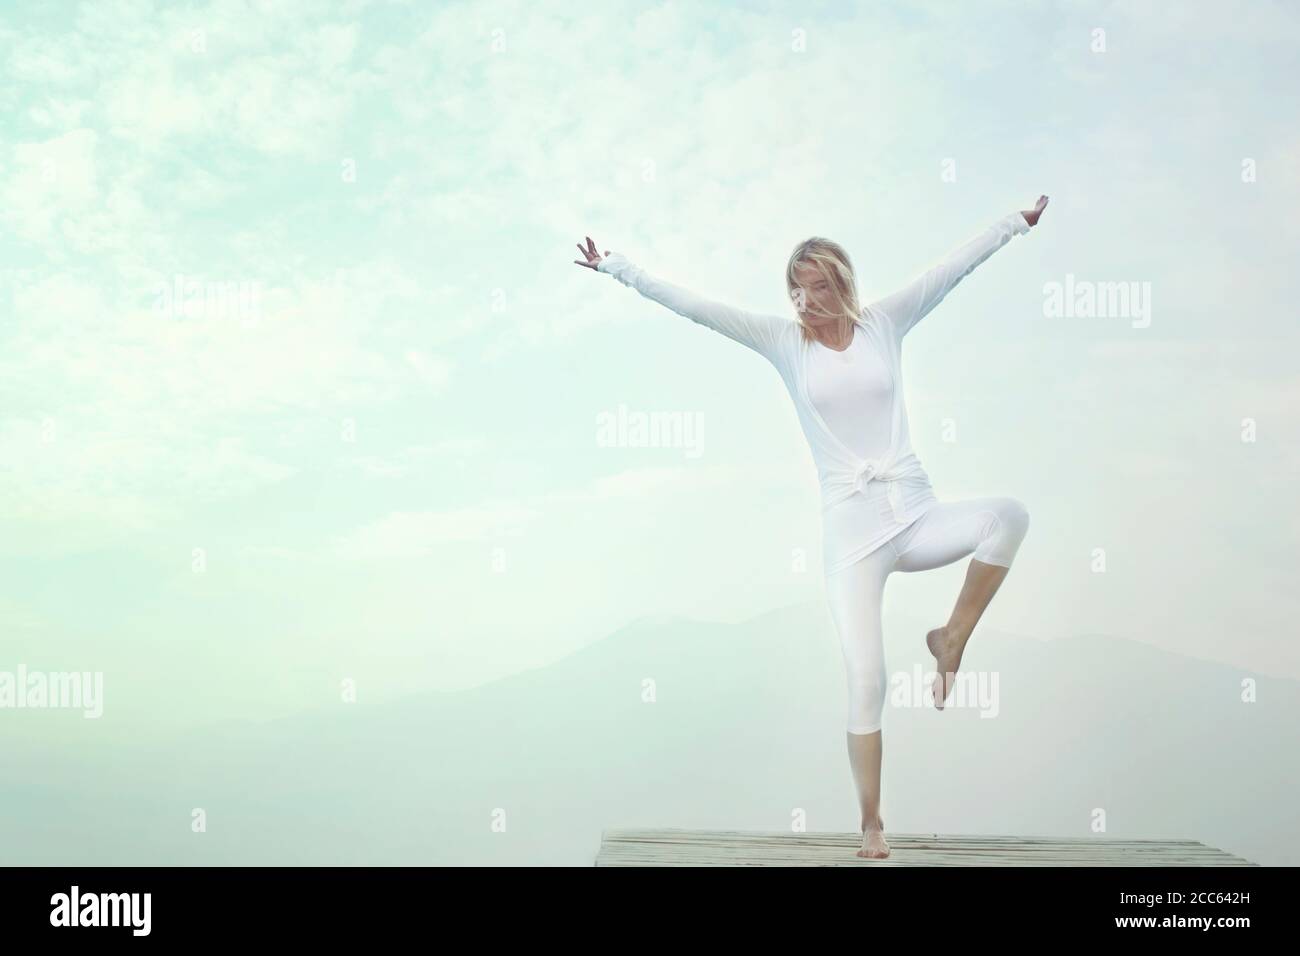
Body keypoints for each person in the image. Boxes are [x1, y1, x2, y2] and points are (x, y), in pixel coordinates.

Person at [575, 196, 1048, 859]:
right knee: (868, 680)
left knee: (1009, 517)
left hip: (915, 513)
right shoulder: (782, 342)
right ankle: (872, 822)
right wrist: (617, 268)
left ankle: (951, 637)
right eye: (795, 289)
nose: (804, 300)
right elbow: (694, 306)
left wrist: (1013, 225)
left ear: (841, 282)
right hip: (852, 540)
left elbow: (951, 269)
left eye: (816, 286)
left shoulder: (885, 322)